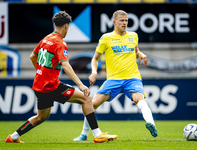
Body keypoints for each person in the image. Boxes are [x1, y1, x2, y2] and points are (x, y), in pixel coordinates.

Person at [5, 11, 117, 144]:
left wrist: (41, 72)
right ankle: (97, 135)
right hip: (51, 86)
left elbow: (32, 56)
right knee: (85, 98)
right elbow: (66, 66)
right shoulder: (60, 43)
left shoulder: (46, 38)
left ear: (54, 24)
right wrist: (81, 85)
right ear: (66, 26)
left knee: (41, 117)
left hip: (39, 85)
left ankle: (13, 137)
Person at [73, 10, 158, 141]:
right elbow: (95, 58)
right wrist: (94, 72)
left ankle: (151, 123)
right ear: (114, 22)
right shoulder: (106, 38)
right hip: (113, 79)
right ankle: (84, 134)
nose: (125, 23)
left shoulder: (133, 36)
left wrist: (140, 54)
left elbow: (134, 50)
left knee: (139, 99)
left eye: (126, 20)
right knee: (92, 103)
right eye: (122, 20)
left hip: (132, 77)